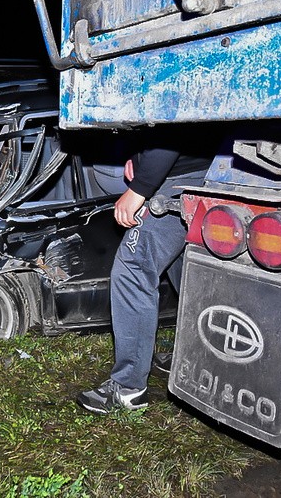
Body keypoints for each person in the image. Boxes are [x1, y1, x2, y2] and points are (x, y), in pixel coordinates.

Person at [76, 140, 215, 414]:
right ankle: (195, 357)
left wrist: (140, 188)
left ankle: (129, 389)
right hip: (191, 171)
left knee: (133, 269)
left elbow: (173, 128)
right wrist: (139, 159)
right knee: (185, 267)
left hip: (182, 178)